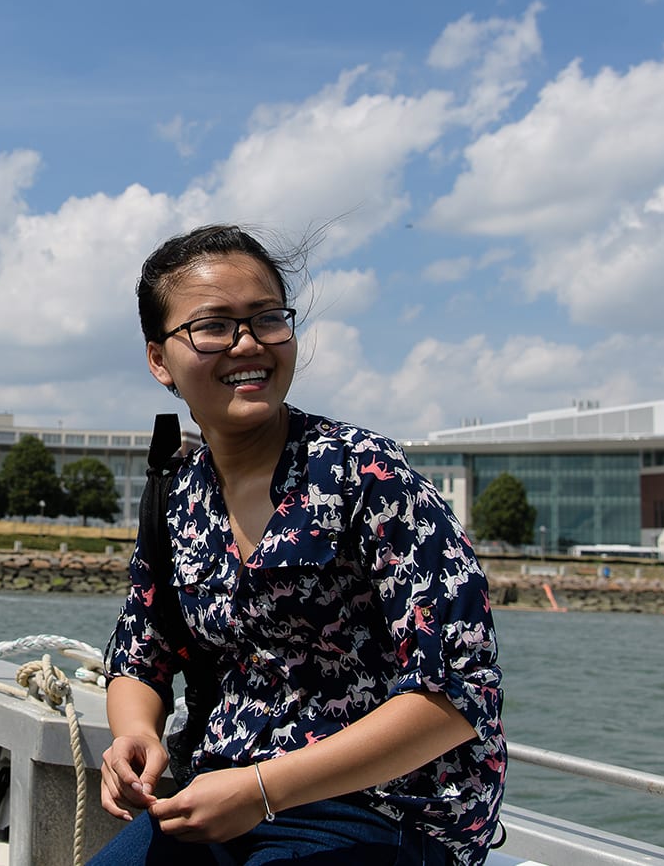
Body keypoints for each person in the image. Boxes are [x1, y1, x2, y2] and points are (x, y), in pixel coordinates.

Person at [90, 224, 506, 865]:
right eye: (213, 326)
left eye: (266, 319)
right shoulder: (175, 498)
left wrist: (262, 789)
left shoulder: (362, 473)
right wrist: (135, 735)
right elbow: (140, 654)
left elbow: (457, 691)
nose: (247, 343)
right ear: (158, 360)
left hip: (383, 809)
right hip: (219, 798)